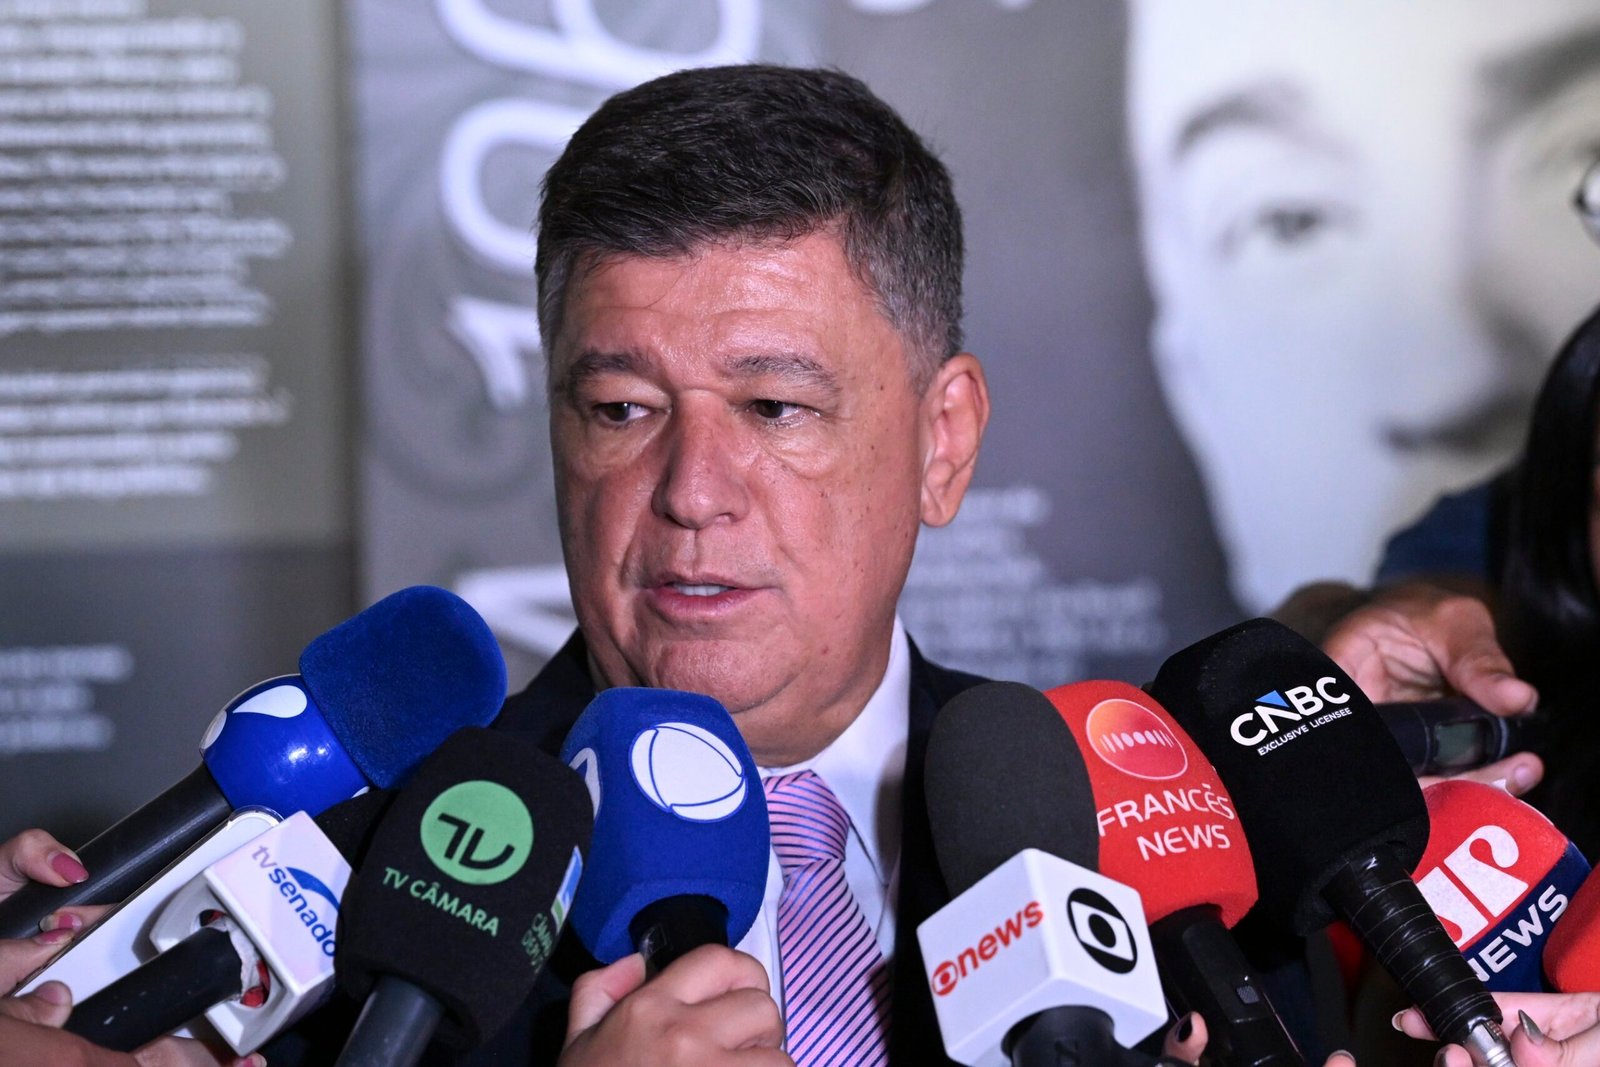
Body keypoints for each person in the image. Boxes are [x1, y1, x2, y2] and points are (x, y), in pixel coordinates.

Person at [1, 63, 1534, 1066]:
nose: (688, 494)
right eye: (620, 409)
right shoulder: (337, 887)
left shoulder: (1169, 862)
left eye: (777, 409)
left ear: (943, 442)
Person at [1127, 0, 1600, 614]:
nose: (1456, 378)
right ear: (1191, 379)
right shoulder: (1448, 550)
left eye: (1584, 156)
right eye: (1291, 221)